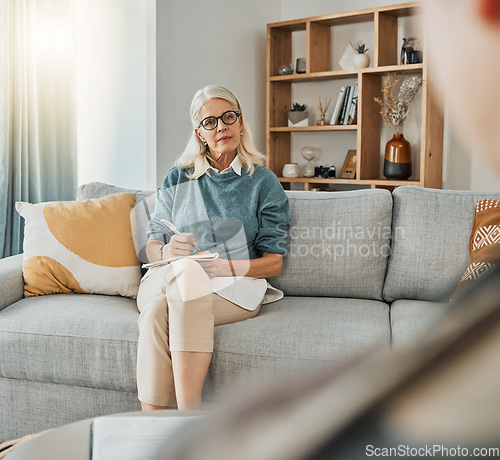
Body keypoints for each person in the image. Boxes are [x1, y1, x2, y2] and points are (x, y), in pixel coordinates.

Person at [136, 85, 290, 411]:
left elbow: (273, 263)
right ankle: (190, 423)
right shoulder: (178, 177)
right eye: (210, 122)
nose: (221, 126)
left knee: (154, 315)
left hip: (232, 288)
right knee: (186, 273)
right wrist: (165, 252)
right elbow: (152, 242)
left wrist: (222, 268)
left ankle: (155, 427)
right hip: (168, 278)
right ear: (199, 133)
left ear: (240, 122)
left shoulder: (263, 182)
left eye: (228, 117)